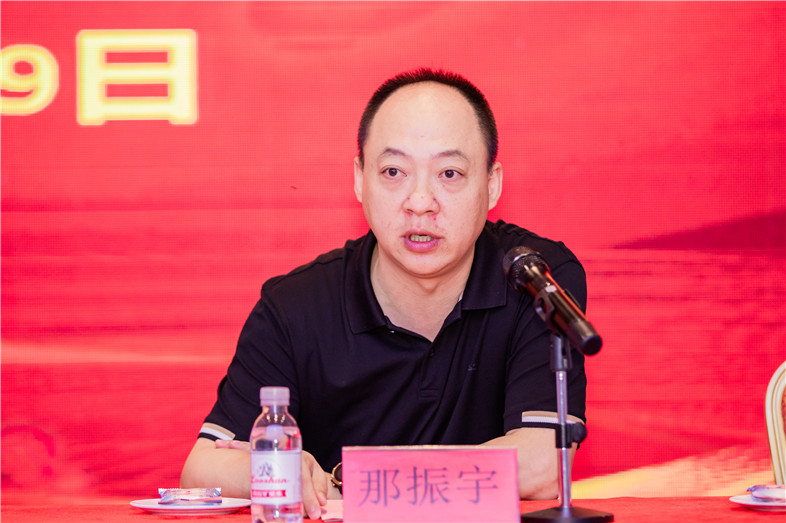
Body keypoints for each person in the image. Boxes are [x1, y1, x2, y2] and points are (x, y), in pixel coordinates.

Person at [180, 68, 588, 519]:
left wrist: (355, 484)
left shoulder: (533, 278)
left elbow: (545, 464)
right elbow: (202, 468)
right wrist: (280, 470)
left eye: (449, 173)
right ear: (360, 180)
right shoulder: (295, 306)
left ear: (492, 185)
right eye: (393, 171)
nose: (420, 202)